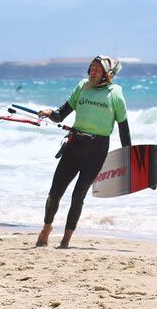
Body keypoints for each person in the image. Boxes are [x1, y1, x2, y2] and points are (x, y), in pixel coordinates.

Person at [35, 55, 131, 249]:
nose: (92, 71)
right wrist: (49, 113)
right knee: (55, 192)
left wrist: (128, 156)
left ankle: (66, 239)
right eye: (91, 67)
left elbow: (123, 127)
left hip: (97, 149)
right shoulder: (82, 87)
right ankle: (46, 228)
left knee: (78, 194)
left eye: (97, 68)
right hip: (75, 144)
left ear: (107, 73)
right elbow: (61, 114)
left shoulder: (115, 94)